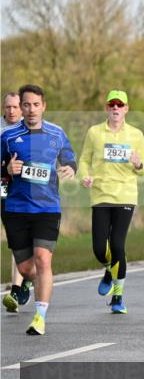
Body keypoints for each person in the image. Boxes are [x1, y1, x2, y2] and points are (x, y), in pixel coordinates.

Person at [1, 84, 77, 334]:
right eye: (26, 105)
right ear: (20, 108)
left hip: (47, 207)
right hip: (17, 208)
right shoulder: (8, 137)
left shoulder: (57, 133)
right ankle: (37, 283)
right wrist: (6, 171)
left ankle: (40, 316)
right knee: (25, 268)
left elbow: (69, 158)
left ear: (43, 106)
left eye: (36, 104)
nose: (31, 109)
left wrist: (70, 169)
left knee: (43, 259)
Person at [77, 90, 144, 313]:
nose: (116, 108)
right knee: (100, 248)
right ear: (107, 108)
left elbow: (143, 169)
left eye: (120, 105)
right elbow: (84, 160)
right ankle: (109, 268)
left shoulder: (136, 134)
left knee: (117, 245)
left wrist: (138, 165)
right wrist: (84, 176)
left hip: (125, 195)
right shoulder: (94, 132)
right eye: (112, 105)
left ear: (126, 108)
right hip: (100, 195)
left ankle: (117, 297)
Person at [2, 92, 27, 310]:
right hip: (2, 186)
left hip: (20, 191)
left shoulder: (29, 130)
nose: (11, 110)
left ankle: (16, 289)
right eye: (7, 107)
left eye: (15, 107)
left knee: (17, 239)